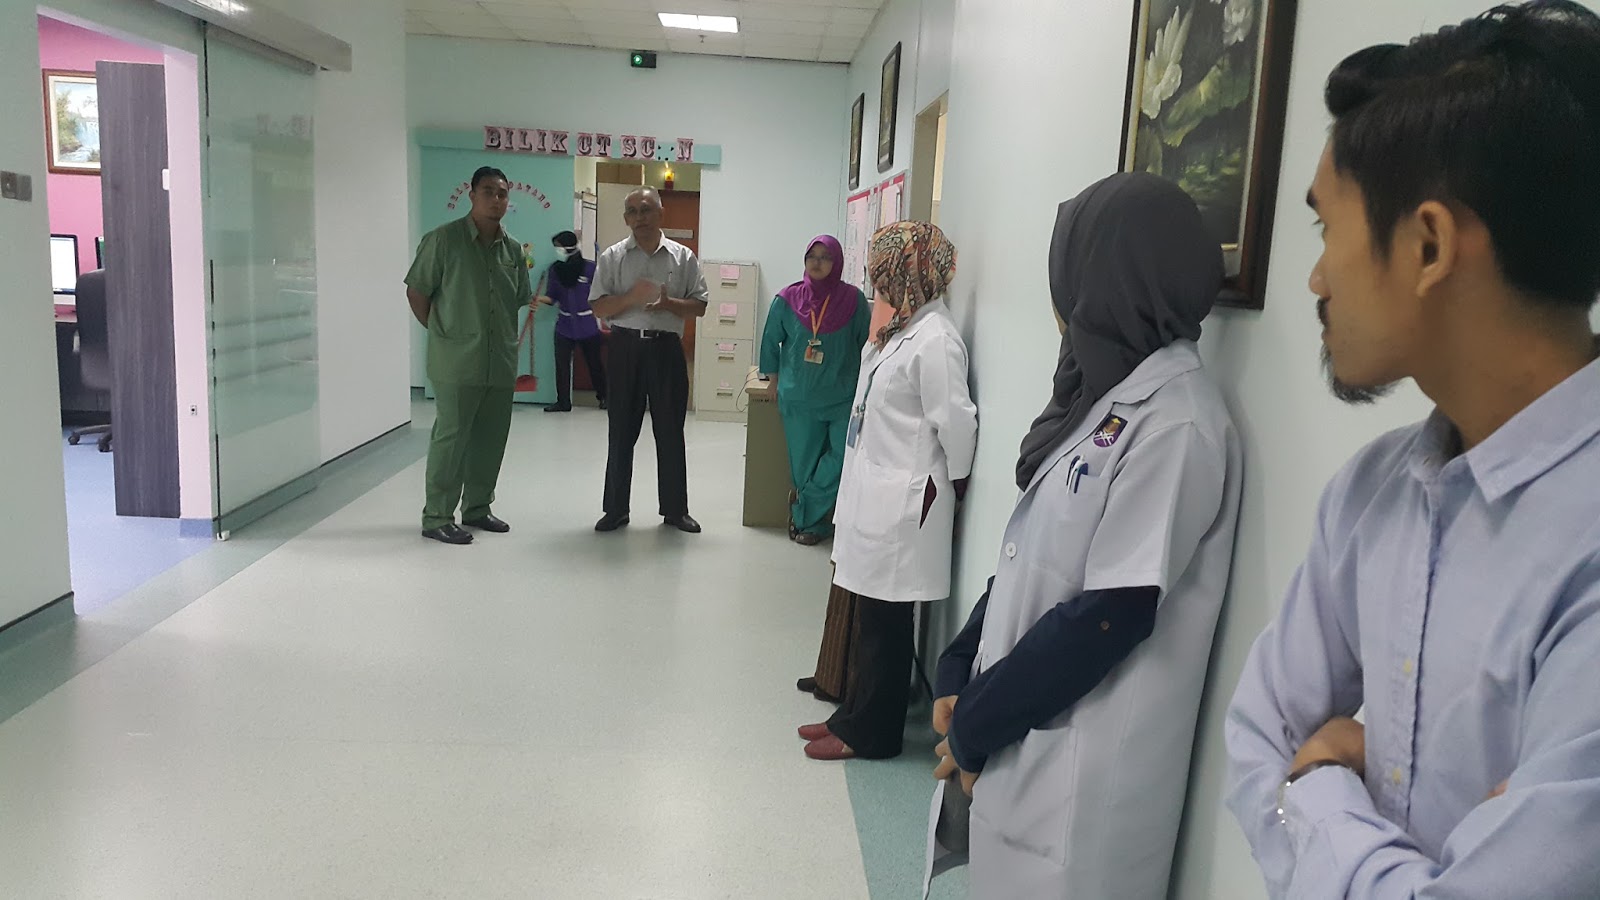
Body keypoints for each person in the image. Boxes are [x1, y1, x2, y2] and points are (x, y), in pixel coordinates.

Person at [1226, 3, 1600, 897]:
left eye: (1327, 230)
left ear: (1428, 243)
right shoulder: (1374, 492)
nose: (1317, 277)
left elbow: (1288, 772)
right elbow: (1257, 738)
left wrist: (1322, 788)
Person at [919, 174, 1243, 898]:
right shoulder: (1103, 397)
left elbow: (1109, 614)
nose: (1059, 299)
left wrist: (977, 723)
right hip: (1024, 735)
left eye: (1071, 271)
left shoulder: (1178, 424)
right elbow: (1035, 557)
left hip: (1085, 782)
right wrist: (962, 659)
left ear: (1114, 281)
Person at [799, 221, 977, 762]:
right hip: (876, 490)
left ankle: (873, 735)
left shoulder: (936, 340)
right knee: (871, 617)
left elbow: (958, 425)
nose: (877, 284)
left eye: (884, 273)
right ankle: (852, 715)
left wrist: (955, 486)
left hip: (905, 501)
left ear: (911, 272)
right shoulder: (902, 328)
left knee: (887, 624)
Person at [405, 166, 530, 545]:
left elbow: (517, 300)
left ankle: (477, 508)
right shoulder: (443, 241)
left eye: (502, 193)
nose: (496, 199)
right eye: (488, 191)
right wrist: (445, 334)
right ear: (472, 195)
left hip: (500, 361)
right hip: (456, 362)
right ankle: (437, 516)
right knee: (452, 439)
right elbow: (417, 292)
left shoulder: (513, 250)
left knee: (491, 440)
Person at [589, 187, 709, 534]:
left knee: (670, 431)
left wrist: (670, 304)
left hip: (665, 350)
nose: (640, 217)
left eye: (646, 209)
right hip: (624, 349)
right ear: (626, 218)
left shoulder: (683, 257)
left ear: (661, 213)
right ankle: (615, 510)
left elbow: (700, 305)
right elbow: (598, 306)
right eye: (633, 211)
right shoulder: (612, 257)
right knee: (620, 432)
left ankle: (675, 511)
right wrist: (632, 297)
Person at [759, 235, 872, 545]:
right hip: (799, 397)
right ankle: (809, 524)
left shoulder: (853, 300)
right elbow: (770, 341)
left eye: (826, 257)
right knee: (803, 465)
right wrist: (772, 380)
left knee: (844, 457)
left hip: (843, 397)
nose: (818, 262)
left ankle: (803, 508)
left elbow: (866, 346)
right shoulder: (787, 299)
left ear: (838, 263)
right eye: (812, 256)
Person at [537, 230, 608, 413]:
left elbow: (601, 294)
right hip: (564, 325)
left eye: (558, 247)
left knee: (594, 364)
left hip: (587, 324)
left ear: (568, 247)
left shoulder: (590, 268)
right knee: (561, 366)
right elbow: (552, 297)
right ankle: (563, 402)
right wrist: (536, 299)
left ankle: (604, 398)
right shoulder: (555, 270)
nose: (557, 251)